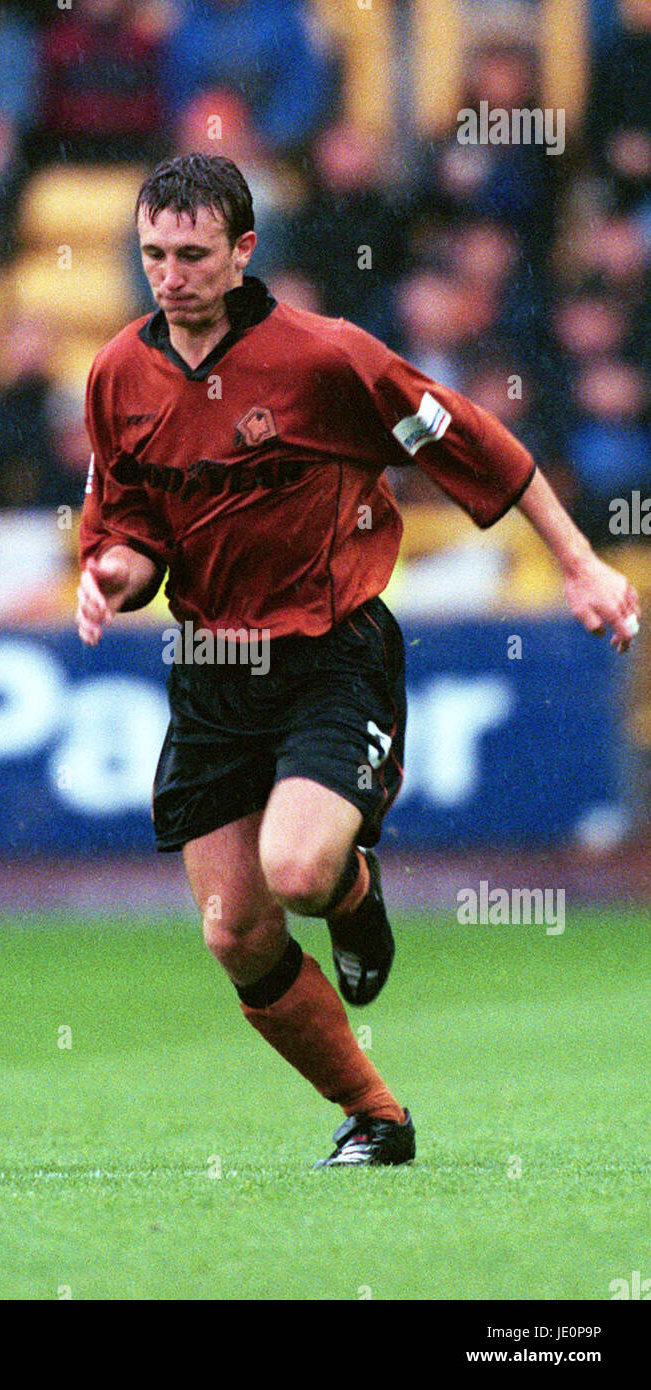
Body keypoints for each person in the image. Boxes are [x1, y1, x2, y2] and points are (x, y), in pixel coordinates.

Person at [74, 154, 641, 1168]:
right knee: (234, 935)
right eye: (153, 253)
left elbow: (476, 441)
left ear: (243, 252)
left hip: (329, 651)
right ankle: (376, 1116)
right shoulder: (118, 373)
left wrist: (580, 565)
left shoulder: (323, 358)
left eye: (191, 254)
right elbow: (132, 524)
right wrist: (111, 575)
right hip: (209, 668)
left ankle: (350, 896)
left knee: (296, 868)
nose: (168, 274)